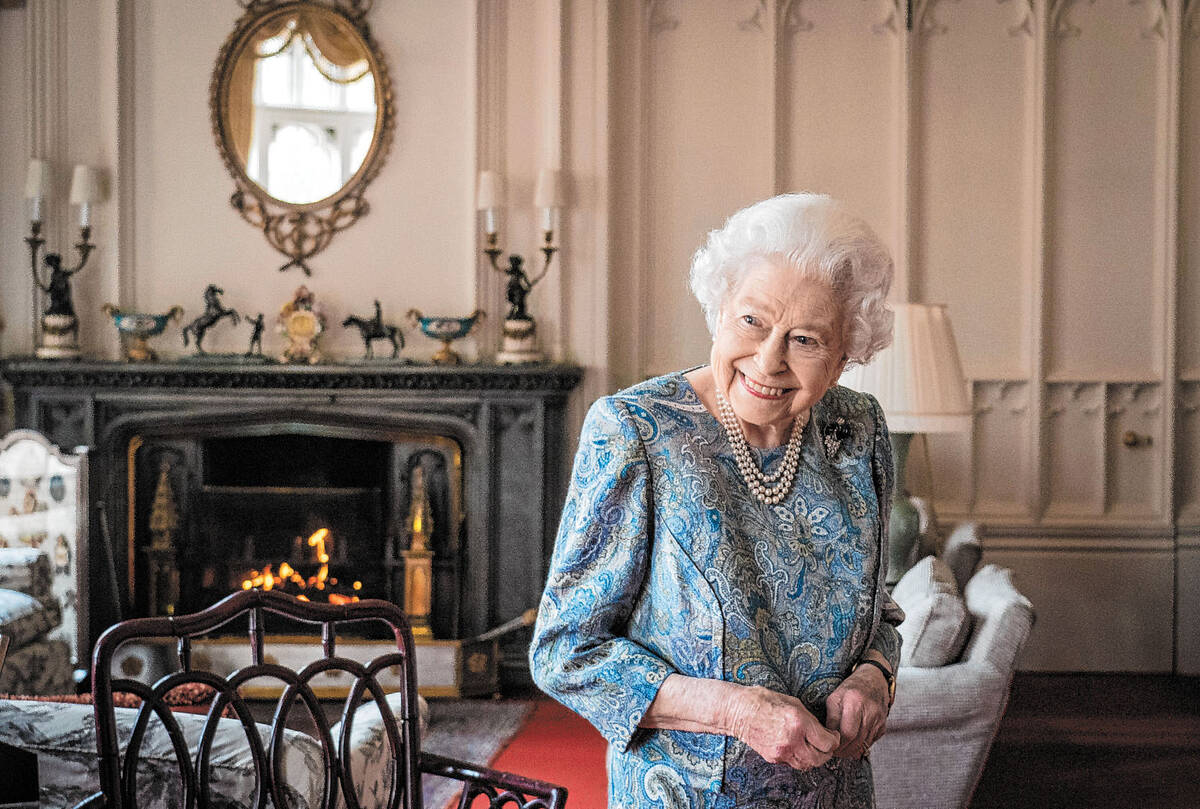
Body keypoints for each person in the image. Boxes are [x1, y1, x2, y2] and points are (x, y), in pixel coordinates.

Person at [529, 193, 904, 808]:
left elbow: (878, 608)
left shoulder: (857, 430)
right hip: (686, 794)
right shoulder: (637, 432)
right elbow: (565, 652)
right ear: (719, 309)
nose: (768, 359)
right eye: (752, 321)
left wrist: (875, 676)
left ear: (844, 358)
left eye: (805, 340)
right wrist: (735, 712)